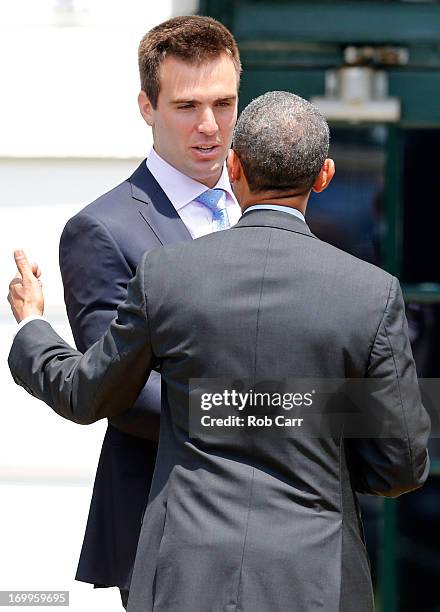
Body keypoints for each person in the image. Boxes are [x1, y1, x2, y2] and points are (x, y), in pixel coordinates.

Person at [8, 91, 430, 612]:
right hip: (316, 576)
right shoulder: (372, 292)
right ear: (324, 176)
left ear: (233, 167)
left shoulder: (167, 275)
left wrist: (31, 325)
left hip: (186, 575)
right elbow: (401, 465)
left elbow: (86, 394)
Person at [56, 15, 241, 608]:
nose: (209, 127)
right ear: (146, 105)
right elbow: (118, 390)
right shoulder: (100, 230)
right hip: (167, 525)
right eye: (186, 106)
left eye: (223, 103)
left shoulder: (269, 205)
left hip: (281, 525)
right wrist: (265, 414)